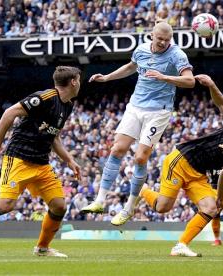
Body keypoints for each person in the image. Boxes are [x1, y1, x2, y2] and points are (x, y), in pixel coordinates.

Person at [0, 66, 83, 258]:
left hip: (41, 163)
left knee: (59, 206)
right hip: (18, 157)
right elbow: (10, 112)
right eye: (79, 79)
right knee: (5, 206)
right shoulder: (45, 97)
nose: (80, 83)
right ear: (74, 81)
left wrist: (69, 160)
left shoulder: (67, 105)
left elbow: (54, 137)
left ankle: (42, 248)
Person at [137, 74, 223, 257]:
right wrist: (212, 84)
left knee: (211, 208)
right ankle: (143, 190)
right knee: (163, 207)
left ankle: (181, 245)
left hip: (199, 174)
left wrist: (219, 197)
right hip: (182, 160)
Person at [81, 21, 194, 226]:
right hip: (135, 106)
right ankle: (99, 200)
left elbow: (190, 81)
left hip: (158, 111)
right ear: (152, 35)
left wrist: (164, 77)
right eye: (159, 38)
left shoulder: (177, 55)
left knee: (140, 158)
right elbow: (131, 67)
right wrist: (107, 78)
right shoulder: (141, 49)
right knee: (117, 149)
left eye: (167, 40)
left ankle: (129, 207)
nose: (163, 43)